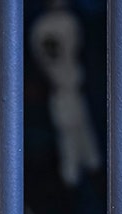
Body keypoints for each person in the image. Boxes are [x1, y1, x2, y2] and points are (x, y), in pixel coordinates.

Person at [30, 0, 101, 188]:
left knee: (87, 150)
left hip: (68, 90)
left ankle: (86, 185)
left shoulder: (49, 24)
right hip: (62, 90)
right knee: (70, 149)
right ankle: (73, 190)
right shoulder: (56, 24)